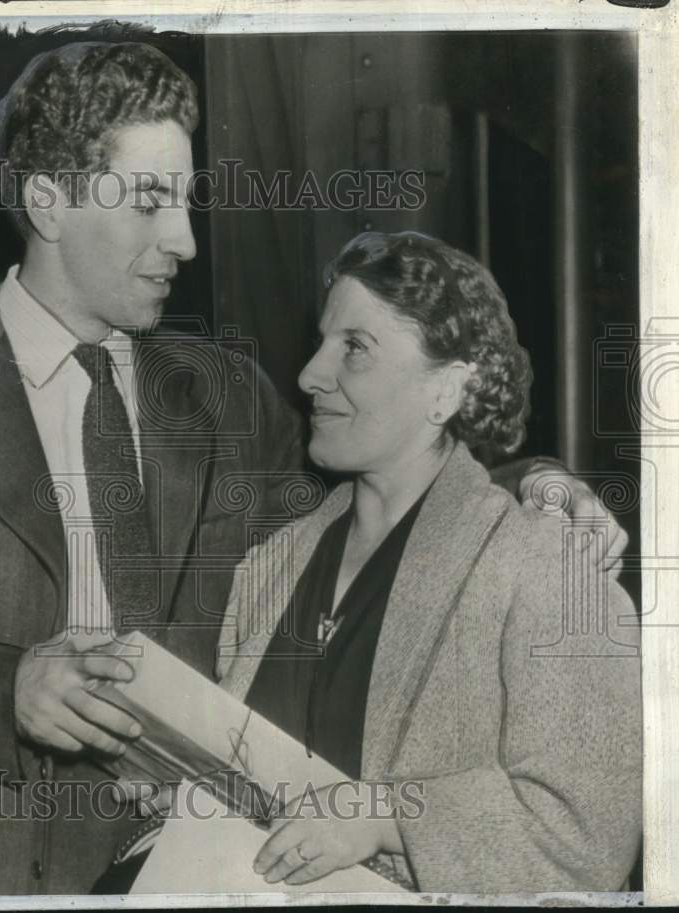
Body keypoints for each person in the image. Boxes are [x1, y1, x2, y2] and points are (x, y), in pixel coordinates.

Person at [0, 41, 625, 896]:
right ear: (48, 200)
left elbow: (358, 521)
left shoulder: (226, 395)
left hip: (209, 871)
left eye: (187, 203)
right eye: (152, 203)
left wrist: (531, 481)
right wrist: (2, 689)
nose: (186, 241)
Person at [214, 231, 641, 893]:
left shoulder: (549, 568)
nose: (309, 374)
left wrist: (386, 815)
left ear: (445, 390)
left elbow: (586, 834)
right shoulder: (269, 566)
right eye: (324, 340)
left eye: (354, 347)